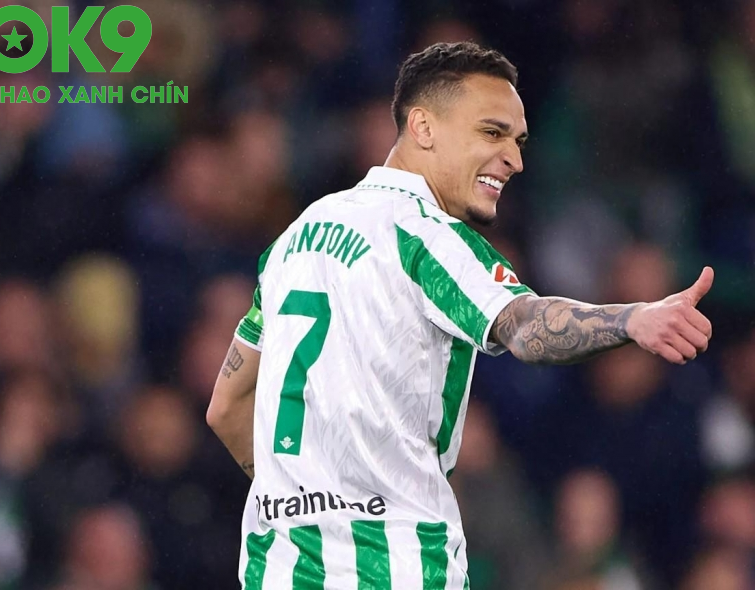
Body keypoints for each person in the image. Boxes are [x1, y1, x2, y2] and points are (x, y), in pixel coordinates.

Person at [207, 41, 714, 589]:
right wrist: (631, 319)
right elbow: (524, 326)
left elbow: (227, 406)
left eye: (519, 141)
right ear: (423, 127)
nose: (515, 159)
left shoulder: (294, 239)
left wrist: (306, 501)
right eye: (492, 133)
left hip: (277, 569)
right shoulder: (426, 235)